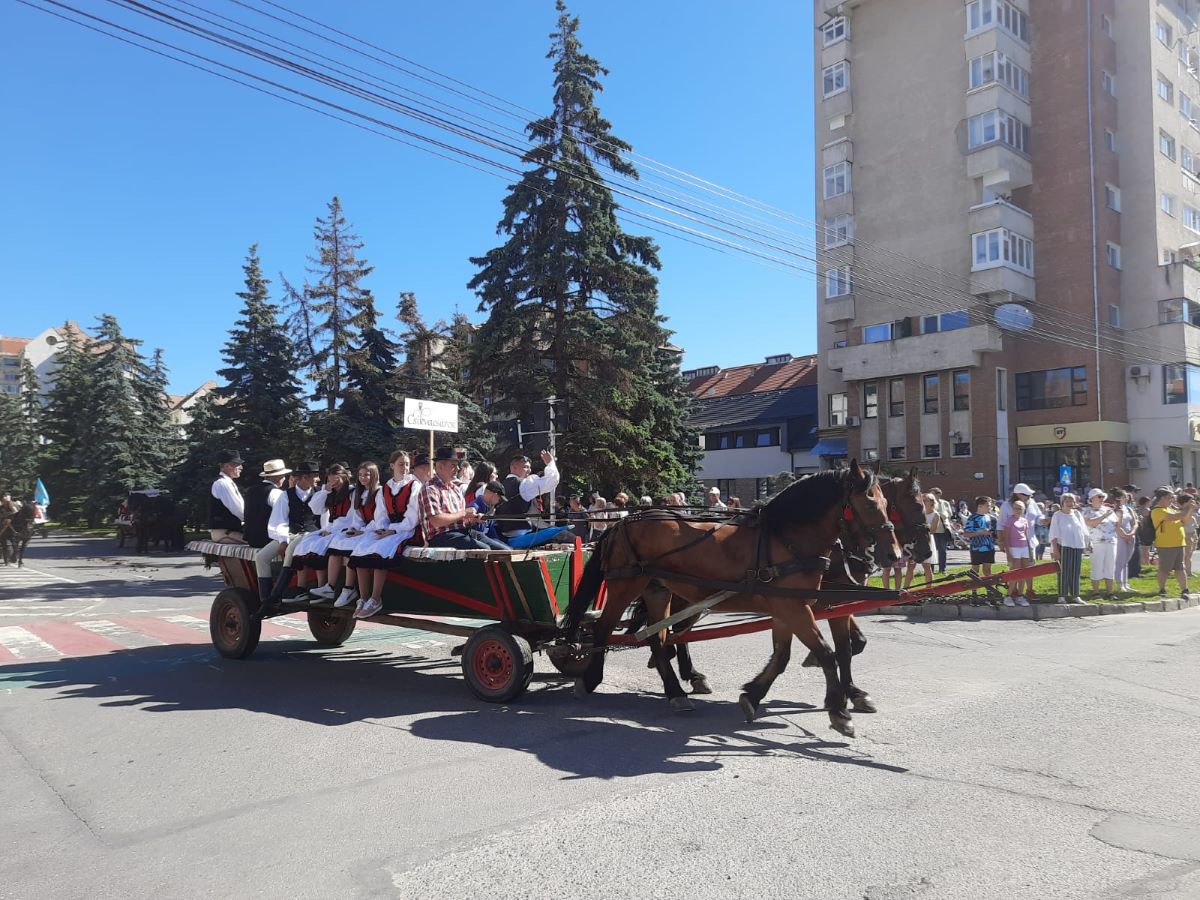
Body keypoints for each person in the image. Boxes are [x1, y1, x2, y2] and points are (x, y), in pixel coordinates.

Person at [346, 451, 426, 619]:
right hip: (389, 527)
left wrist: (393, 530)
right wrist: (382, 529)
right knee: (363, 546)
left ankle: (376, 599)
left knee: (381, 550)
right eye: (400, 464)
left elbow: (413, 516)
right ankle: (363, 597)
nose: (404, 467)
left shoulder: (414, 485)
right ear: (392, 466)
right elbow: (380, 514)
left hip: (407, 530)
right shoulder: (386, 488)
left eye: (406, 464)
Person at [308, 462, 386, 608]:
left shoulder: (371, 492)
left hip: (373, 529)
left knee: (347, 544)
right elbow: (356, 517)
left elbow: (380, 518)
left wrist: (360, 530)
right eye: (361, 475)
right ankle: (330, 586)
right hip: (357, 528)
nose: (363, 478)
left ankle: (349, 588)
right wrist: (355, 528)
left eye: (366, 475)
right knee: (333, 543)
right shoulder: (357, 493)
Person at [420, 447, 508, 550]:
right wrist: (464, 513)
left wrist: (474, 518)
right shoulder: (430, 489)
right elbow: (436, 520)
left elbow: (461, 519)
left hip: (463, 532)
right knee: (484, 549)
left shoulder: (456, 489)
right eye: (453, 465)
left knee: (504, 550)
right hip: (441, 536)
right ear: (440, 467)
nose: (458, 469)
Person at [260, 460, 321, 608]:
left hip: (311, 535)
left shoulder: (320, 494)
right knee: (261, 557)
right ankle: (265, 596)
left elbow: (324, 519)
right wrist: (282, 539)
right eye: (315, 476)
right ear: (304, 477)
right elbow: (278, 521)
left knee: (290, 550)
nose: (318, 479)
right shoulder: (286, 495)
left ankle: (277, 594)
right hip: (290, 533)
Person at [245, 459, 292, 602]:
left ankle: (264, 594)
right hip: (268, 538)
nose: (284, 479)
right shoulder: (276, 493)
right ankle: (276, 592)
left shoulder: (251, 491)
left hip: (251, 538)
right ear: (278, 478)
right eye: (283, 476)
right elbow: (283, 517)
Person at [492, 451, 559, 542]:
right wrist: (551, 463)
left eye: (529, 467)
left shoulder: (501, 485)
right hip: (523, 532)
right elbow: (550, 481)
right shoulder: (524, 484)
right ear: (513, 467)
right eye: (525, 467)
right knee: (563, 535)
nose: (529, 470)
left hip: (503, 532)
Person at [1151, 488, 1196, 599]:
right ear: (1161, 498)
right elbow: (1176, 517)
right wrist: (1187, 508)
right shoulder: (1157, 511)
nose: (1172, 500)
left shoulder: (1170, 509)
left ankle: (1184, 590)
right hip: (1166, 544)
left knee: (1180, 567)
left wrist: (1190, 510)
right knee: (1164, 568)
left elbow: (1183, 520)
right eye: (1169, 498)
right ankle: (1162, 589)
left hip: (1179, 542)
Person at [1048, 493, 1089, 605]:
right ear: (1062, 503)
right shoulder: (1058, 515)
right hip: (1064, 546)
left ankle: (1075, 595)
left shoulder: (1077, 514)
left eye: (1072, 501)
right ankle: (1062, 595)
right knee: (1063, 571)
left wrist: (1088, 543)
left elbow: (1083, 530)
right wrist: (1055, 550)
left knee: (1075, 571)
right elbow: (1053, 533)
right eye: (1067, 501)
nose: (1070, 504)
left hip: (1077, 545)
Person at [1082, 488, 1118, 599]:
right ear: (1091, 499)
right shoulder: (1086, 511)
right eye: (1099, 497)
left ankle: (1110, 592)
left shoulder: (1108, 510)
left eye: (1102, 497)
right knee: (1097, 566)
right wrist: (1104, 516)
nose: (1102, 499)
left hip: (1111, 541)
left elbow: (1116, 524)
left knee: (1110, 566)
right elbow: (1091, 523)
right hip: (1096, 543)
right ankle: (1096, 592)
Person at [1000, 499, 1033, 606]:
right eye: (1015, 508)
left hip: (1024, 548)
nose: (1017, 510)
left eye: (1020, 508)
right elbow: (1006, 537)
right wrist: (1008, 553)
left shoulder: (1024, 520)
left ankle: (1020, 595)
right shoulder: (1010, 520)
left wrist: (1030, 552)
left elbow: (1027, 536)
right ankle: (1008, 596)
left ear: (1023, 510)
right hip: (1014, 548)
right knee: (1015, 572)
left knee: (1024, 572)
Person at [999, 483, 1043, 561]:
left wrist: (1043, 520)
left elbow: (1038, 517)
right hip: (1013, 544)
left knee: (1030, 567)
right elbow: (1000, 525)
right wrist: (1001, 542)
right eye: (1026, 495)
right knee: (1015, 568)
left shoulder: (1032, 503)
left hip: (1030, 542)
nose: (1029, 496)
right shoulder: (1006, 506)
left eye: (1030, 494)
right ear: (1018, 494)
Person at [209, 449, 245, 542]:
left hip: (229, 531)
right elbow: (239, 510)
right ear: (226, 466)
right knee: (260, 542)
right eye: (237, 464)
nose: (241, 468)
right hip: (226, 532)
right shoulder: (223, 483)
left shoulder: (228, 483)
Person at [963, 495, 997, 591]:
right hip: (976, 548)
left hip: (989, 547)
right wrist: (980, 533)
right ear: (980, 506)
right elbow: (966, 534)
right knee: (975, 571)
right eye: (988, 506)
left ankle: (990, 591)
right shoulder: (972, 518)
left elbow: (994, 532)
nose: (990, 508)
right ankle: (974, 591)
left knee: (987, 571)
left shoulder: (991, 518)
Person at [1111, 490, 1136, 595]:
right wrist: (1125, 536)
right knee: (1120, 561)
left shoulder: (1129, 509)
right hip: (1120, 537)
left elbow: (1135, 522)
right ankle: (1119, 583)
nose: (1126, 499)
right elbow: (1116, 526)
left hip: (1130, 535)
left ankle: (1125, 583)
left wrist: (1131, 533)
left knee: (1126, 561)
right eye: (1124, 497)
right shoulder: (1115, 510)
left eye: (1126, 497)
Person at [928, 487, 954, 574]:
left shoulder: (945, 503)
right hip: (931, 530)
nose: (931, 495)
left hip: (942, 530)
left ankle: (942, 569)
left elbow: (948, 515)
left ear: (938, 494)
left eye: (933, 493)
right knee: (931, 550)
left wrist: (938, 513)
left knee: (942, 550)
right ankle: (930, 570)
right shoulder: (927, 503)